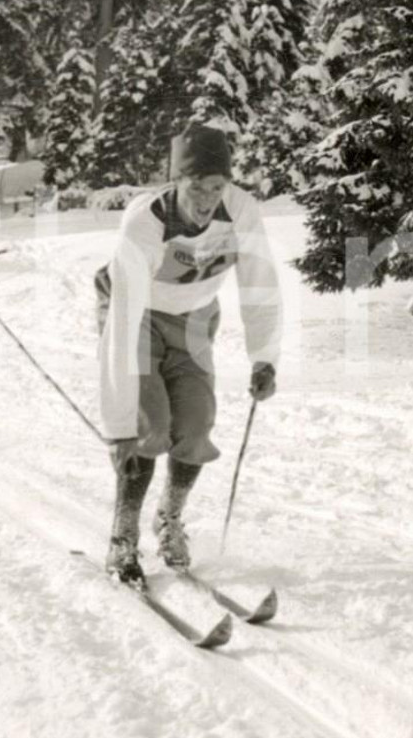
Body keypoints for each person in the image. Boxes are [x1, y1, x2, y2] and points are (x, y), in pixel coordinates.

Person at [96, 123, 282, 585]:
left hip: (195, 317)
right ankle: (122, 536)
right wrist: (119, 427)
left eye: (215, 187)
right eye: (195, 186)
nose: (205, 198)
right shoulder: (145, 223)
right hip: (136, 315)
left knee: (195, 425)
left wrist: (265, 356)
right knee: (149, 425)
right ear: (175, 181)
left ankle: (169, 518)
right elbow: (121, 325)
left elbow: (259, 280)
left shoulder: (240, 211)